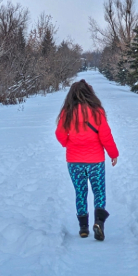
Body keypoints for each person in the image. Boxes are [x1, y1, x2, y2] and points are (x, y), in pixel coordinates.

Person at [55, 79, 119, 241]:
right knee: (99, 192)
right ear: (90, 93)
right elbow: (105, 136)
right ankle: (99, 222)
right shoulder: (97, 111)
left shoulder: (67, 112)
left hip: (74, 161)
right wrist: (113, 154)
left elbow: (60, 134)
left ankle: (83, 228)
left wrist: (68, 144)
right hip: (95, 160)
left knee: (80, 192)